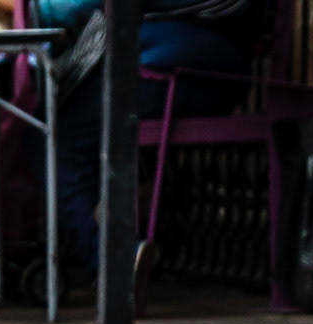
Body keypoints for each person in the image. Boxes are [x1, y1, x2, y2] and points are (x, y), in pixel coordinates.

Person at [34, 0, 262, 277]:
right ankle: (109, 240)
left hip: (187, 64)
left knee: (52, 137)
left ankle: (114, 264)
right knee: (47, 127)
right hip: (168, 54)